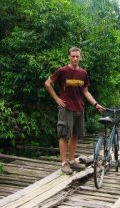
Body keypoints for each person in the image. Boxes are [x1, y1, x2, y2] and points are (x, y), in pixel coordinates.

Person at [44, 47, 104, 175]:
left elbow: (85, 91)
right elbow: (48, 83)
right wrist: (56, 98)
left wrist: (95, 104)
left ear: (80, 57)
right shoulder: (62, 71)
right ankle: (64, 163)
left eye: (77, 56)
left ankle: (72, 162)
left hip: (79, 108)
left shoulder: (83, 73)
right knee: (64, 135)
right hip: (66, 108)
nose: (75, 58)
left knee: (75, 135)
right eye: (73, 56)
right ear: (69, 57)